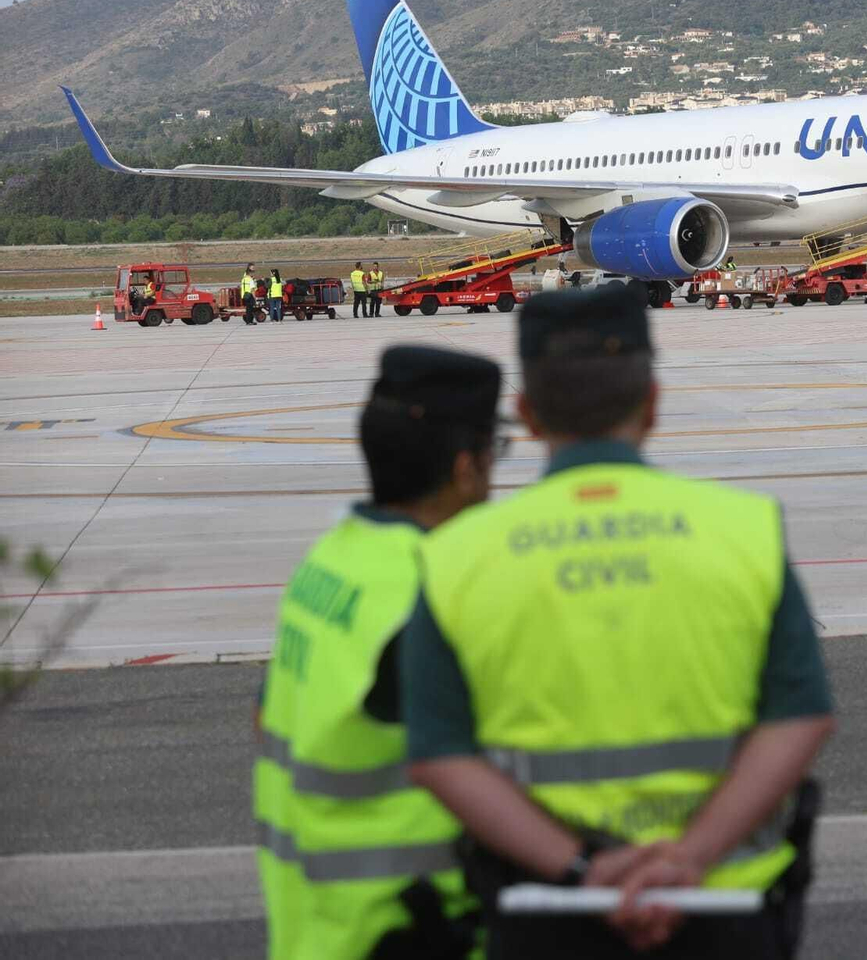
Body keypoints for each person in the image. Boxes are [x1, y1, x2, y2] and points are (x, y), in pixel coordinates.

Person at [403, 285, 835, 959]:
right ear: (654, 403)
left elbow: (438, 755)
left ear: (526, 415)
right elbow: (801, 716)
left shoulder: (457, 556)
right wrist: (689, 859)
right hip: (722, 908)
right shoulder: (743, 532)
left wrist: (584, 870)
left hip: (545, 912)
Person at [256, 345, 504, 960]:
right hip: (402, 929)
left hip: (312, 926)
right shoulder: (429, 593)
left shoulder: (327, 564)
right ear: (466, 468)